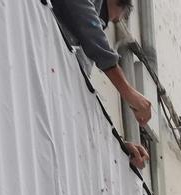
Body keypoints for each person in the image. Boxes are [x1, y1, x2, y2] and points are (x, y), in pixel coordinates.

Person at [47, 0, 154, 152]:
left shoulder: (80, 47)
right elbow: (88, 25)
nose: (102, 25)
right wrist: (128, 92)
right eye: (102, 18)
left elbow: (79, 93)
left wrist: (119, 147)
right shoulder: (86, 23)